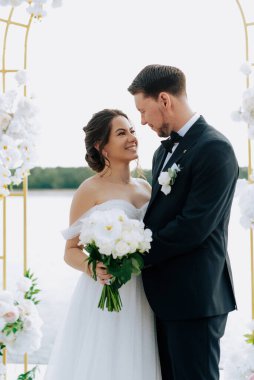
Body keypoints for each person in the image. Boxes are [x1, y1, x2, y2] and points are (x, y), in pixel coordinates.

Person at [128, 64, 239, 380]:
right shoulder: (160, 155)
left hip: (196, 301)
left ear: (164, 99)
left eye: (143, 110)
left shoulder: (215, 149)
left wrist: (132, 256)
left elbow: (193, 227)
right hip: (163, 300)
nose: (142, 121)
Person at [44, 109, 161, 380]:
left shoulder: (145, 188)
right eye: (121, 133)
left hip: (145, 292)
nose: (132, 137)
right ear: (101, 146)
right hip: (105, 291)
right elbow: (71, 250)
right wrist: (93, 267)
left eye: (132, 130)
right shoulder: (89, 190)